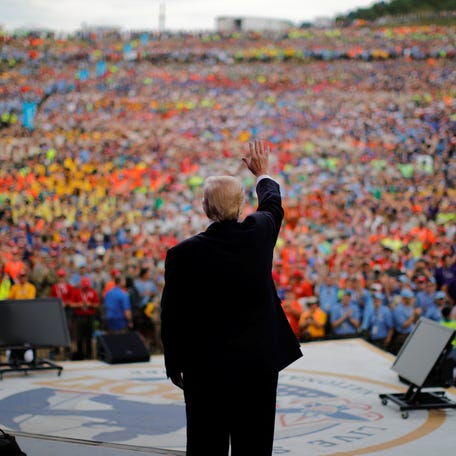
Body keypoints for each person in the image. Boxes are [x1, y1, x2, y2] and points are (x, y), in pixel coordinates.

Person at [160, 140, 302, 456]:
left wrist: (174, 363)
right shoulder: (260, 233)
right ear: (239, 207)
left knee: (205, 444)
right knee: (253, 445)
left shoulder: (182, 254)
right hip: (257, 366)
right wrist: (261, 173)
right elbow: (272, 205)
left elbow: (172, 316)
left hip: (205, 369)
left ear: (206, 208)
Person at [70, 276, 100, 359]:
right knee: (79, 337)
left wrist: (91, 304)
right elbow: (71, 304)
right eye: (85, 286)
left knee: (89, 337)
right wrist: (79, 304)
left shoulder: (93, 292)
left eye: (87, 286)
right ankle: (80, 354)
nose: (86, 288)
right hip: (79, 316)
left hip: (89, 316)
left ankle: (89, 355)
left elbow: (97, 304)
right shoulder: (76, 292)